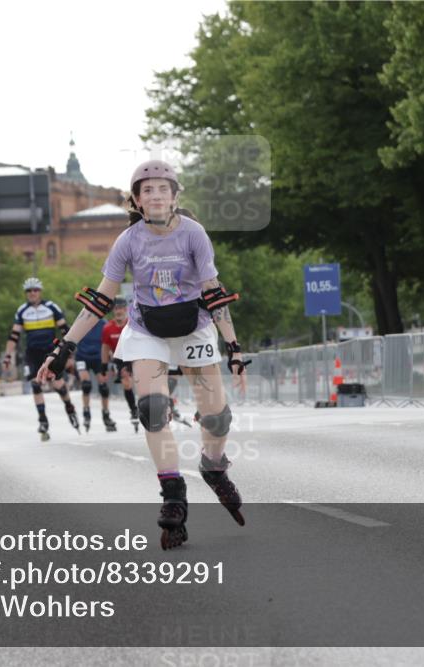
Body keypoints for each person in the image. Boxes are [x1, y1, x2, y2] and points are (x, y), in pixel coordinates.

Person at [37, 160, 251, 550]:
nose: (155, 196)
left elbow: (213, 292)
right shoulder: (128, 240)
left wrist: (234, 348)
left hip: (193, 325)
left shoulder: (194, 234)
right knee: (152, 409)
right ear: (136, 200)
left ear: (175, 196)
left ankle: (214, 467)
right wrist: (63, 346)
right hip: (147, 327)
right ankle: (173, 494)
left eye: (163, 189)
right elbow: (101, 299)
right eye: (147, 190)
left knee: (217, 417)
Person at [4, 278, 80, 440]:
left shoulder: (51, 307)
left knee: (58, 385)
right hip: (32, 354)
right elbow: (14, 336)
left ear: (40, 292)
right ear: (26, 293)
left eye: (35, 290)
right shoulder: (22, 310)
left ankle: (69, 408)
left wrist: (68, 355)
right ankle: (43, 420)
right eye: (29, 291)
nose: (32, 293)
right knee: (35, 384)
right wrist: (7, 356)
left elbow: (65, 330)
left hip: (50, 352)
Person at [74, 305, 117, 433]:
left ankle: (106, 414)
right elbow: (71, 340)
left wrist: (112, 361)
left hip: (98, 357)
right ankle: (86, 412)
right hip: (82, 356)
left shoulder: (104, 324)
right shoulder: (80, 323)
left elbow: (107, 344)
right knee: (86, 385)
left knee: (103, 387)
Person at [102, 297, 140, 431]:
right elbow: (105, 348)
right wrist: (104, 365)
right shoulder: (107, 328)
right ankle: (133, 409)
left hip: (136, 355)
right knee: (127, 382)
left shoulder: (133, 324)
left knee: (140, 383)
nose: (118, 311)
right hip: (120, 359)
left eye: (121, 309)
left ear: (126, 309)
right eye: (116, 309)